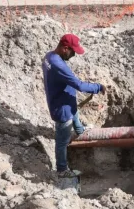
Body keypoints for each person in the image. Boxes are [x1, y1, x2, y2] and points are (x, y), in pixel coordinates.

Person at [42, 33, 104, 178]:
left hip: (65, 99)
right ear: (65, 48)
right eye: (73, 52)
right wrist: (98, 87)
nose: (74, 55)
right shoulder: (59, 66)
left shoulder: (48, 57)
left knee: (74, 111)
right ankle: (62, 170)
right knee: (62, 141)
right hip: (61, 108)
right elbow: (79, 85)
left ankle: (80, 130)